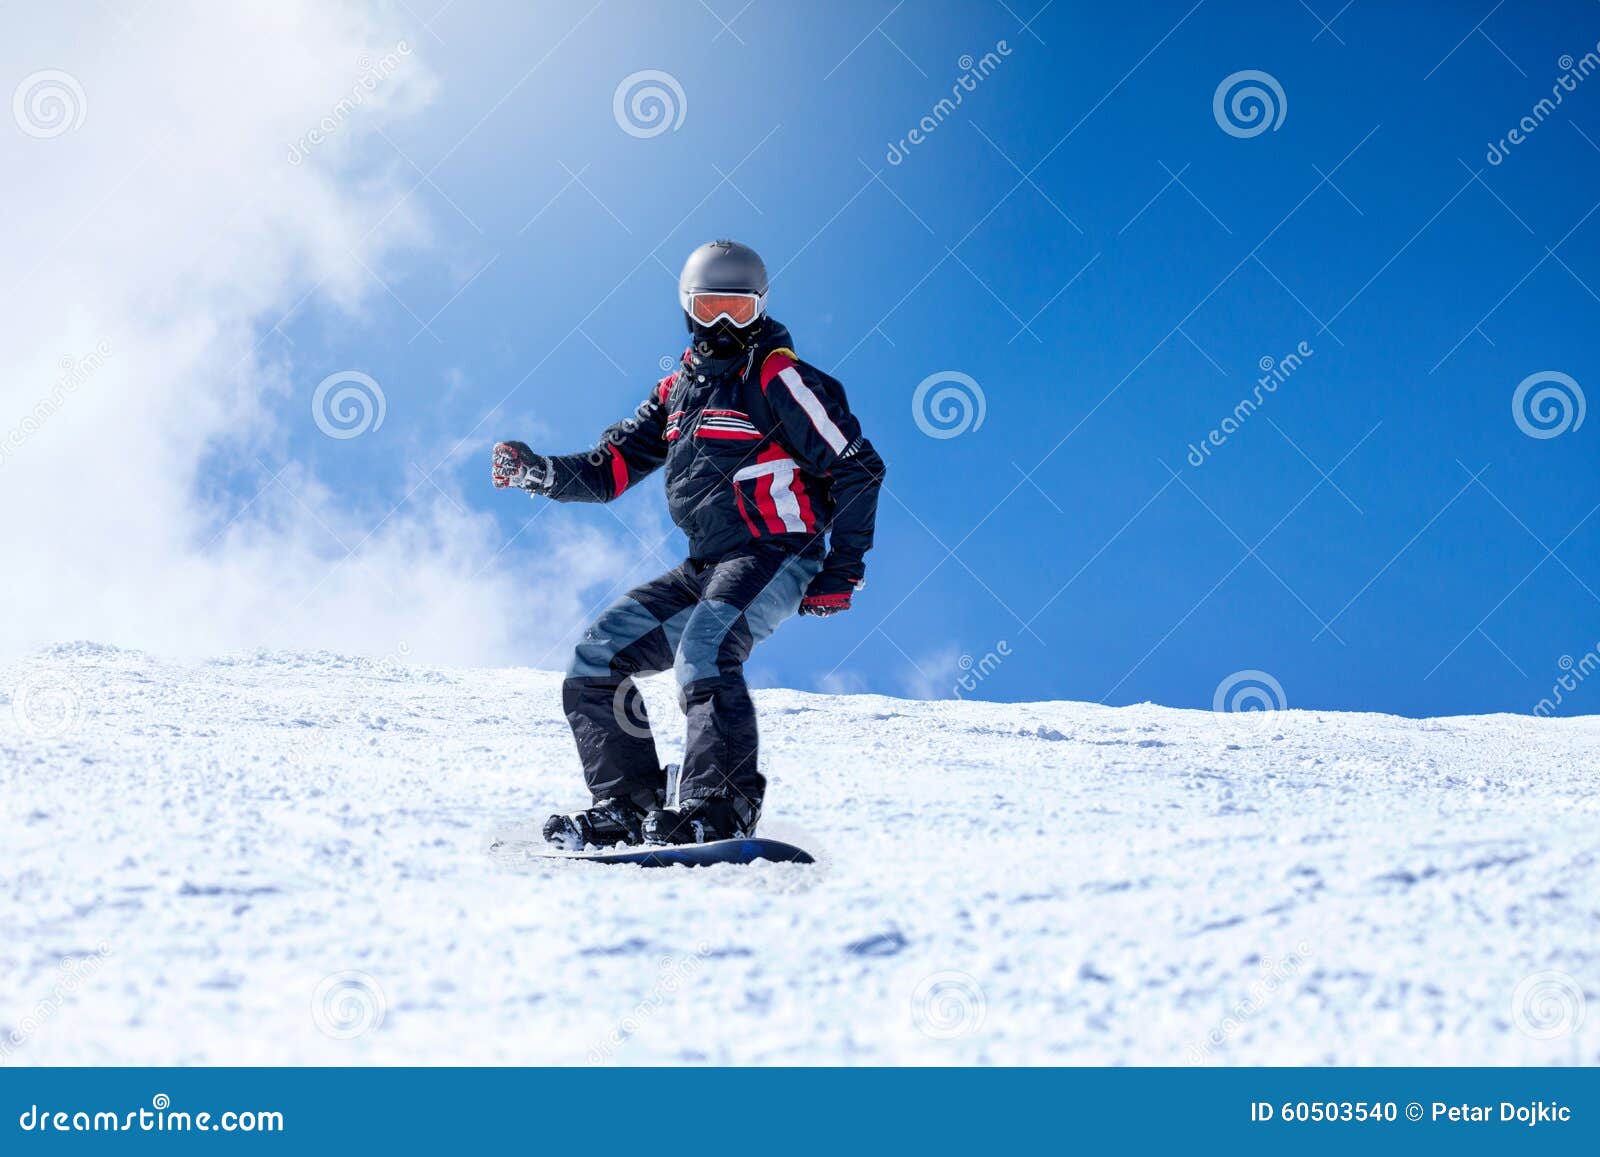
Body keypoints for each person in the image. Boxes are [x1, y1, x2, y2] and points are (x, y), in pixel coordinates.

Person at [492, 240, 886, 847]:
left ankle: (722, 802)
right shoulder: (676, 392)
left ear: (760, 310)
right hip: (710, 565)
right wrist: (539, 471)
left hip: (777, 550)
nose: (724, 324)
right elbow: (609, 470)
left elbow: (857, 466)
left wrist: (842, 569)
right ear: (687, 309)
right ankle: (628, 801)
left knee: (706, 647)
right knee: (596, 658)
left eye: (739, 308)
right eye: (710, 309)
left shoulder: (777, 376)